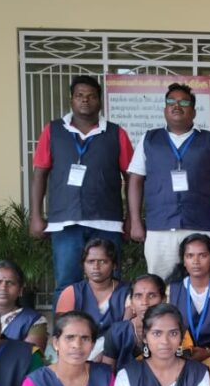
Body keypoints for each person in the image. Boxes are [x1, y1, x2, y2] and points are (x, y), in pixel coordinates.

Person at [29, 74, 133, 292]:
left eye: (91, 96)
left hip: (107, 221)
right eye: (79, 95)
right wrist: (36, 216)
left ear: (100, 101)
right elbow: (40, 174)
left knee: (110, 283)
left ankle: (110, 317)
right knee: (67, 283)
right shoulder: (53, 131)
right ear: (71, 100)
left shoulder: (116, 133)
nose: (85, 100)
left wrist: (132, 217)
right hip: (65, 221)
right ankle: (68, 318)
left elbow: (131, 177)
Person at [127, 83, 210, 279]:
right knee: (159, 285)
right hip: (160, 228)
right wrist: (135, 221)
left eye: (184, 102)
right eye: (171, 102)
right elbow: (135, 180)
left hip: (202, 226)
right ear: (165, 109)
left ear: (194, 111)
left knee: (202, 283)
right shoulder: (149, 139)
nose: (177, 106)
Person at [167, 233, 210, 369]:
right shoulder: (172, 289)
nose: (196, 261)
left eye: (203, 255)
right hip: (181, 357)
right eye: (190, 256)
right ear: (183, 261)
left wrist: (208, 353)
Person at [54, 238, 131, 334]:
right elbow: (62, 333)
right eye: (90, 261)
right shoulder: (71, 293)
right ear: (83, 265)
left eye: (102, 261)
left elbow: (127, 331)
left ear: (114, 265)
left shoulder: (129, 292)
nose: (96, 267)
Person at [99, 274, 166, 371]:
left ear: (163, 300)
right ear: (131, 302)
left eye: (151, 296)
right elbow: (107, 374)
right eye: (138, 296)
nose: (144, 302)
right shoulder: (117, 332)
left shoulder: (174, 330)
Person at [0, 259, 48, 352]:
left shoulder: (34, 321)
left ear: (20, 290)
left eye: (10, 283)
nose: (3, 287)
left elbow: (31, 357)